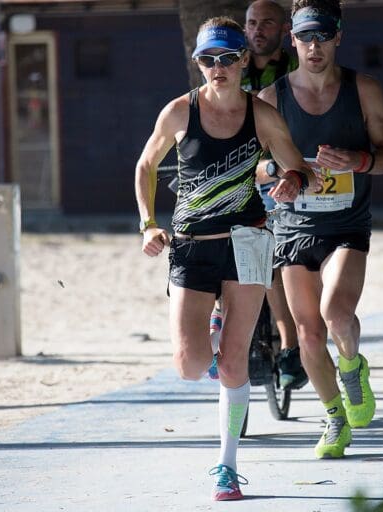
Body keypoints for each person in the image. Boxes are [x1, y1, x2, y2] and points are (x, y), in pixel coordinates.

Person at [134, 17, 319, 501]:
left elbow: (298, 167)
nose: (217, 68)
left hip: (249, 240)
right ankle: (212, 325)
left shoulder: (263, 116)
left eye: (227, 59)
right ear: (198, 64)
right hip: (192, 244)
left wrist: (293, 181)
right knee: (191, 364)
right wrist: (148, 223)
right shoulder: (179, 112)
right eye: (207, 60)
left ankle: (226, 467)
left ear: (242, 62)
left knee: (234, 364)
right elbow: (146, 165)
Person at [258, 0, 383, 459]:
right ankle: (334, 418)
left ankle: (352, 366)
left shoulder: (364, 90)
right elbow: (254, 168)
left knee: (336, 315)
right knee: (308, 334)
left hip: (346, 224)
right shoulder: (270, 98)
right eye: (305, 38)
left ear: (338, 37)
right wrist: (280, 176)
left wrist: (358, 161)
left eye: (322, 37)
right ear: (292, 40)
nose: (313, 47)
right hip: (294, 226)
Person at [244, 0, 306, 390]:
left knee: (273, 260)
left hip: (291, 173)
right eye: (251, 23)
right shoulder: (230, 67)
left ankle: (290, 347)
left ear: (284, 30)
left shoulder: (298, 70)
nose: (257, 30)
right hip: (246, 176)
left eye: (266, 23)